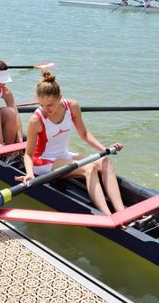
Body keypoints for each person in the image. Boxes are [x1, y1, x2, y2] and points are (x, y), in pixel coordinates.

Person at [15, 70, 125, 216]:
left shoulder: (72, 106)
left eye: (50, 105)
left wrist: (104, 148)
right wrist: (30, 174)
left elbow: (84, 134)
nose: (46, 110)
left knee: (105, 162)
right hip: (43, 162)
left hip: (63, 155)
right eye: (42, 105)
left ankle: (122, 211)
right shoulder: (36, 120)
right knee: (89, 169)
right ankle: (109, 216)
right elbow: (28, 155)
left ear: (60, 97)